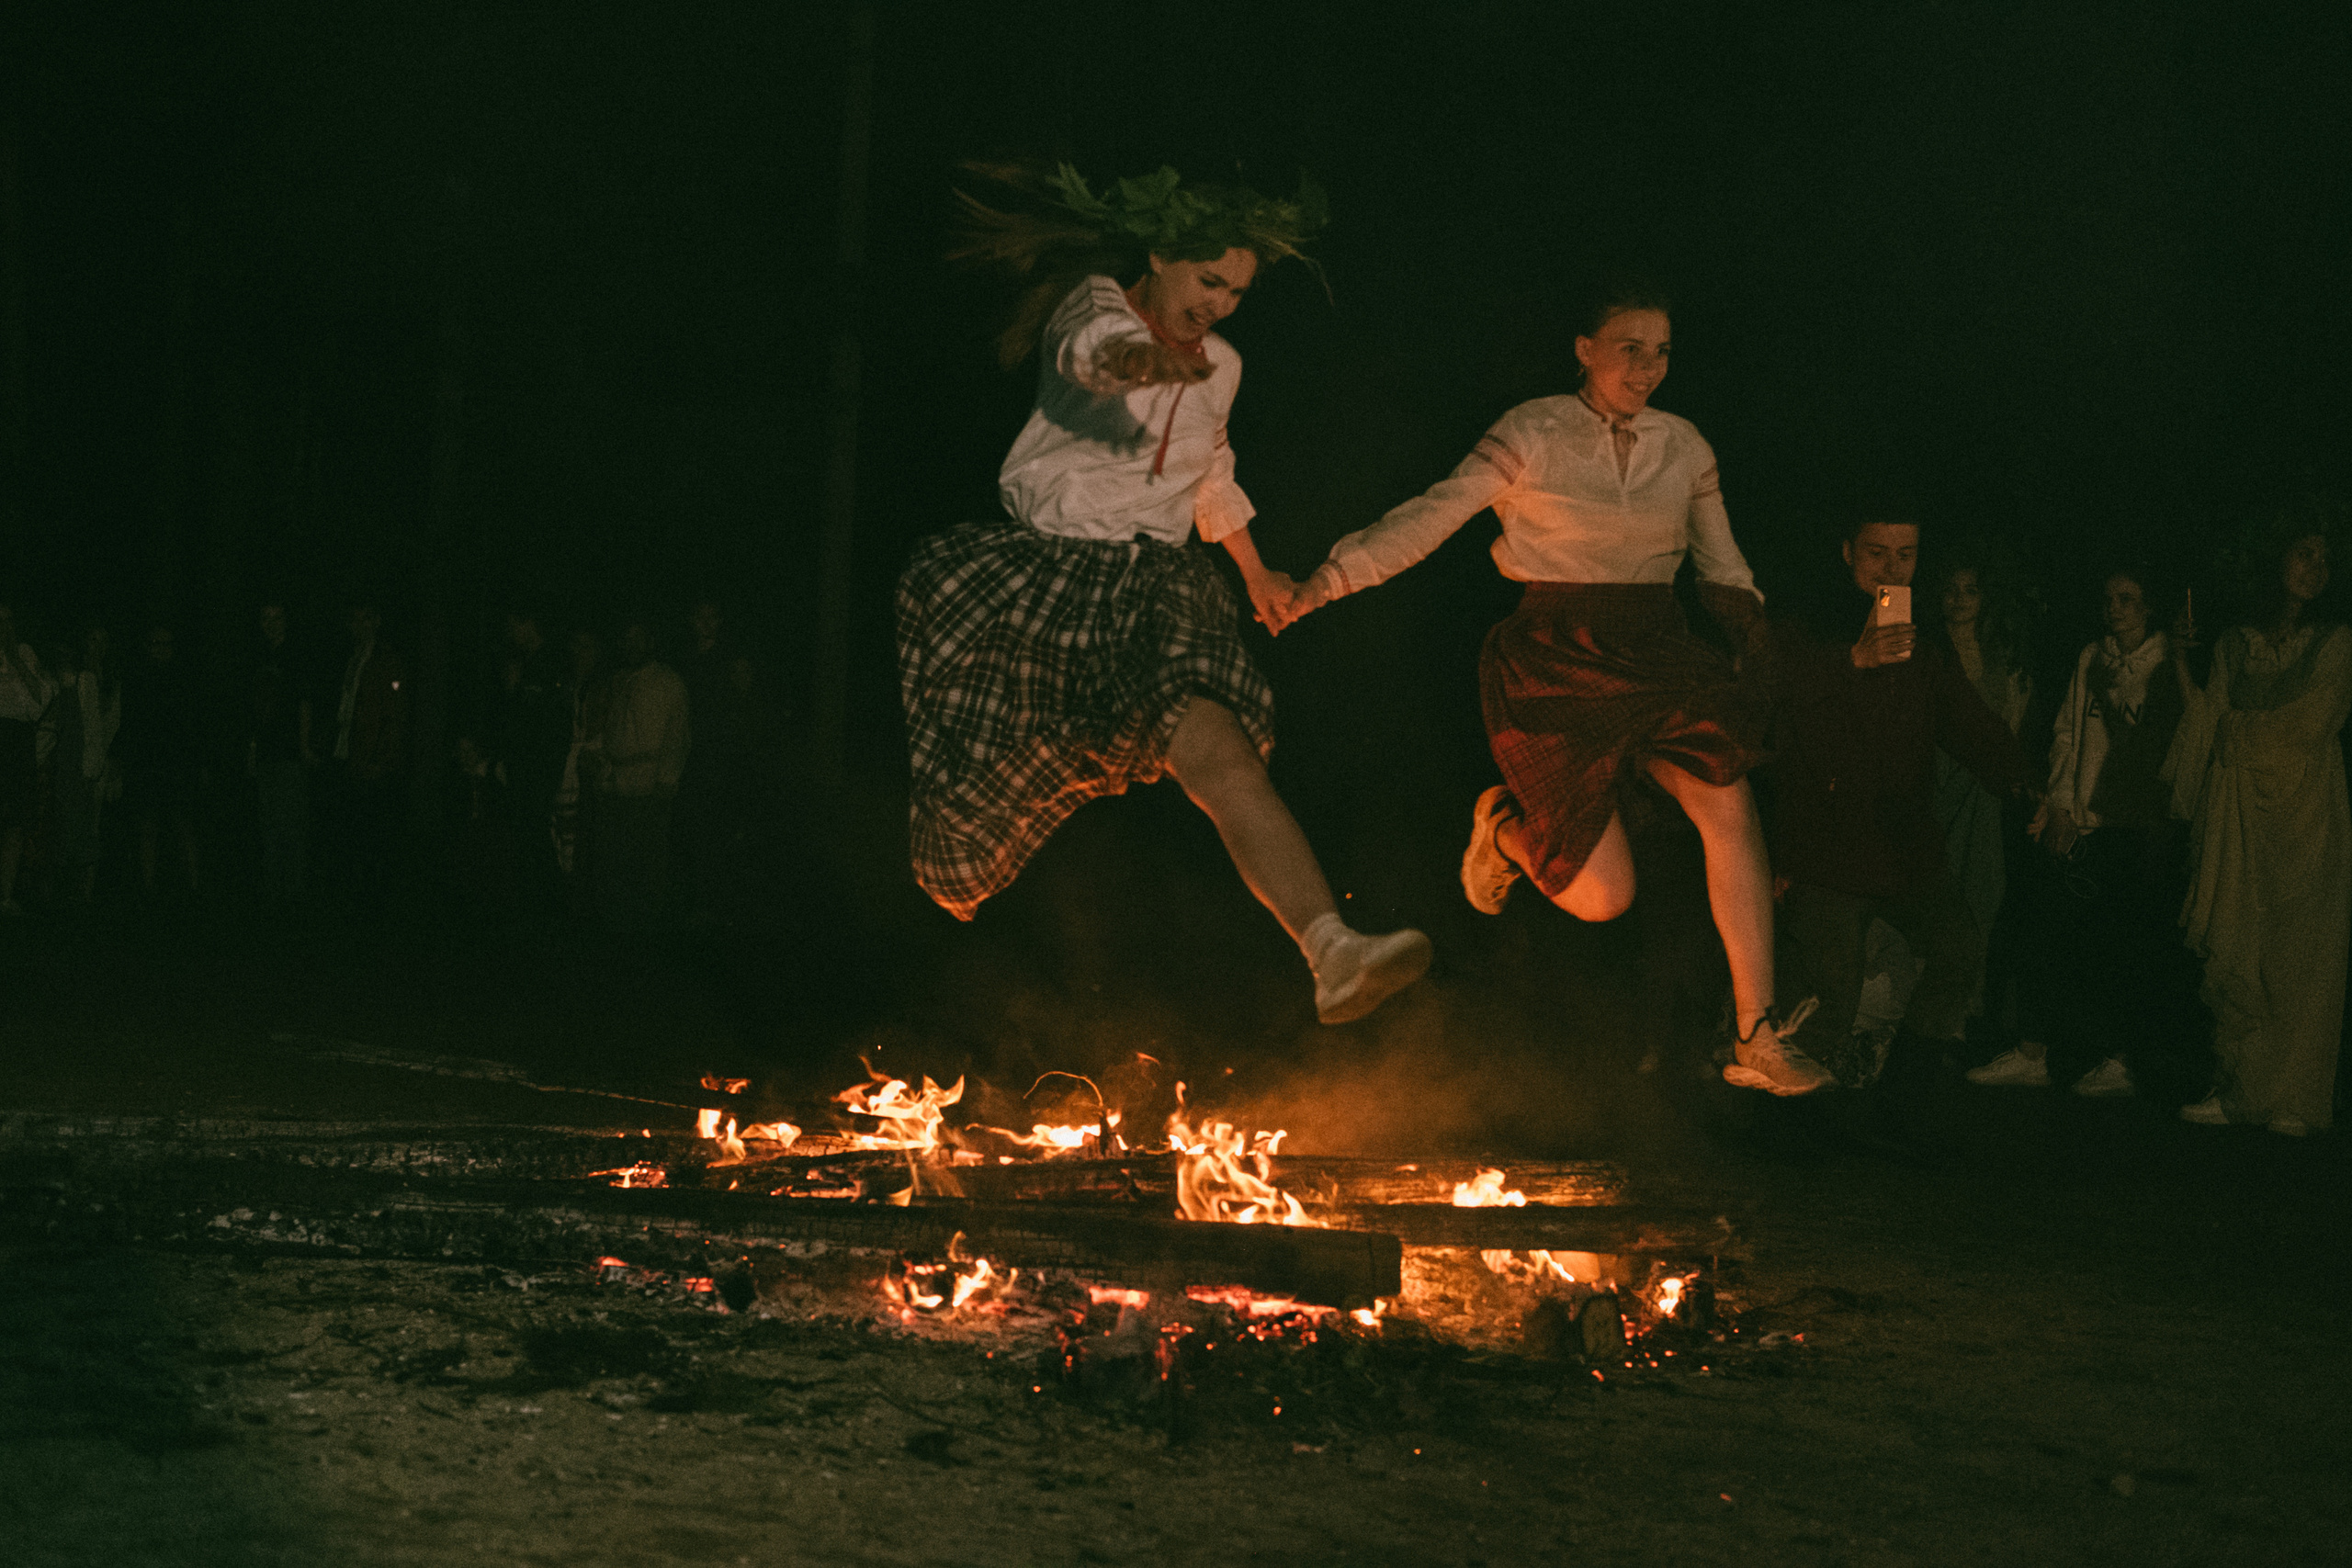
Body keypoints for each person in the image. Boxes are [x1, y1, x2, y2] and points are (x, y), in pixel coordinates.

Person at [895, 163, 1429, 1024]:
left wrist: (1258, 575)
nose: (1220, 303)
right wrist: (1154, 361)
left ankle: (1332, 949)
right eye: (1209, 280)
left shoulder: (1222, 365)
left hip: (1156, 591)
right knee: (972, 827)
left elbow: (1209, 475)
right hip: (1048, 583)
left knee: (1221, 756)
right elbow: (1091, 357)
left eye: (1238, 292)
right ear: (1160, 255)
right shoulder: (1094, 306)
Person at [1284, 279, 1819, 1085]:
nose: (1647, 368)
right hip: (1555, 657)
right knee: (1604, 896)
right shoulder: (1533, 431)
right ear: (1585, 350)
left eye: (1662, 351)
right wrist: (1323, 582)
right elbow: (1429, 517)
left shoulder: (1685, 445)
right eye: (1629, 349)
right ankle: (1501, 827)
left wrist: (1754, 638)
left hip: (1657, 650)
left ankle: (1758, 1034)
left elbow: (1722, 564)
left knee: (1726, 794)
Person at [1765, 518, 2036, 1108]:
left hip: (1904, 849)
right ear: (1847, 552)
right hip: (1828, 854)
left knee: (1958, 948)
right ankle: (1791, 1124)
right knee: (1828, 996)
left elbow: (1966, 722)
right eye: (1877, 553)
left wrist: (2023, 782)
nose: (1891, 569)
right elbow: (1773, 698)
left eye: (1906, 555)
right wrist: (1852, 660)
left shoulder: (1923, 644)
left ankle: (1903, 1096)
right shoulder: (1806, 629)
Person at [1972, 567, 2199, 1098]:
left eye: (2128, 599)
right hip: (2084, 820)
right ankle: (2034, 1052)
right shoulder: (2091, 656)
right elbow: (2069, 734)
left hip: (2138, 824)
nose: (2115, 608)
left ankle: (2119, 1058)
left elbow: (2169, 740)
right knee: (2050, 928)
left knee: (2123, 941)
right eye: (2109, 599)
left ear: (2149, 608)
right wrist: (2059, 806)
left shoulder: (2168, 662)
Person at [2167, 514, 2349, 1135]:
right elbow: (2207, 719)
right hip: (2239, 815)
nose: (2313, 568)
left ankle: (2293, 1097)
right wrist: (2183, 662)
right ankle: (2237, 1084)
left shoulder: (2336, 642)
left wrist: (2241, 733)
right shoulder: (2236, 643)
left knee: (2301, 951)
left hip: (2306, 814)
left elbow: (2314, 719)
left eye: (2324, 558)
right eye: (2303, 552)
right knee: (2241, 942)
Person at [1924, 550, 2031, 1022]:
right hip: (1934, 786)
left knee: (1982, 895)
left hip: (1984, 795)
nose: (1960, 600)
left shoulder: (2002, 653)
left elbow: (2011, 724)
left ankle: (1966, 1016)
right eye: (1951, 590)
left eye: (1970, 590)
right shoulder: (1927, 650)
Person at [588, 613, 688, 931]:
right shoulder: (618, 680)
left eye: (638, 638)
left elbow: (678, 736)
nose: (631, 645)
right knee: (616, 858)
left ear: (651, 642)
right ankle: (616, 924)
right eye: (626, 639)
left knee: (647, 859)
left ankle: (647, 927)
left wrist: (666, 781)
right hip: (615, 785)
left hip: (648, 785)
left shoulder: (669, 683)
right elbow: (607, 729)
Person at [323, 600, 409, 913]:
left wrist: (382, 760)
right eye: (353, 620)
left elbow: (395, 713)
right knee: (353, 834)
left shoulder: (386, 660)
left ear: (376, 621)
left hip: (371, 761)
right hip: (350, 756)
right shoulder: (353, 658)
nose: (358, 627)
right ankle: (357, 899)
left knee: (373, 836)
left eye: (364, 620)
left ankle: (374, 904)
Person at [119, 624, 204, 899]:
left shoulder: (183, 680)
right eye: (156, 643)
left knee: (183, 823)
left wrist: (198, 762)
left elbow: (194, 725)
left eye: (166, 643)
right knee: (148, 824)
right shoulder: (137, 679)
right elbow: (130, 724)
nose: (161, 648)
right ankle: (148, 886)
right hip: (147, 763)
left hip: (178, 764)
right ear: (147, 646)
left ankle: (194, 885)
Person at [246, 602, 314, 906]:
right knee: (268, 821)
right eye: (266, 618)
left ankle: (294, 890)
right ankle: (273, 889)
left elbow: (304, 703)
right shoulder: (259, 656)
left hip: (288, 751)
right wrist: (252, 748)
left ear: (286, 620)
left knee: (290, 823)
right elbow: (253, 708)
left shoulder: (296, 655)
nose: (271, 624)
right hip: (265, 752)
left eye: (277, 617)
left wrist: (302, 746)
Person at [53, 620, 122, 907]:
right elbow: (81, 725)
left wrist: (111, 762)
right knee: (74, 824)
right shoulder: (80, 678)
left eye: (102, 640)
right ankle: (70, 891)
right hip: (80, 761)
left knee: (93, 827)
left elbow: (112, 725)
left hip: (102, 761)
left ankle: (86, 893)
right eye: (92, 640)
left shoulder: (111, 680)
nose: (98, 646)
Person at [0, 602, 55, 916]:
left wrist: (17, 660)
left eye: (9, 621)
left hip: (18, 739)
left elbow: (39, 702)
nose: (4, 627)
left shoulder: (25, 653)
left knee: (16, 819)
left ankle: (5, 896)